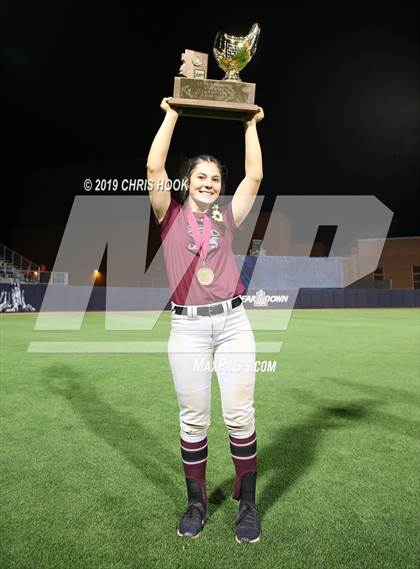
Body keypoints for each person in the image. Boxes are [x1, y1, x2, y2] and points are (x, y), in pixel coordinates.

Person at [146, 97, 264, 543]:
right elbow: (154, 168)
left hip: (233, 325)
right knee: (193, 419)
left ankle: (247, 505)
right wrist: (172, 113)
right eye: (201, 176)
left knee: (240, 416)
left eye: (216, 179)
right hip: (188, 329)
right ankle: (196, 503)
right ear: (187, 181)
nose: (210, 183)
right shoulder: (169, 214)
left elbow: (254, 176)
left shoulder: (226, 218)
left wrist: (250, 124)